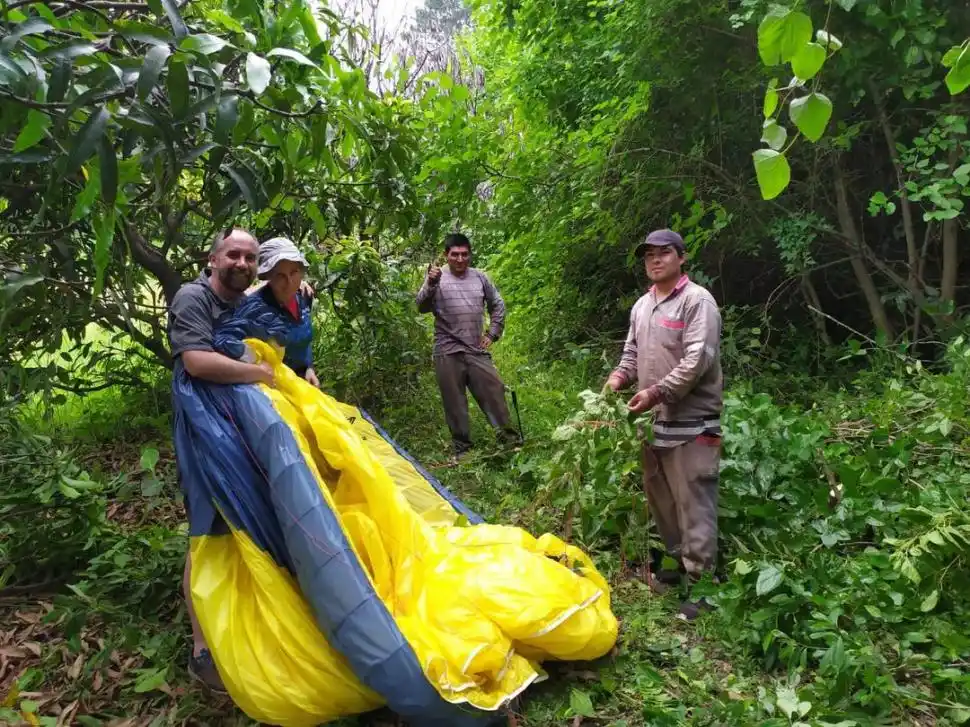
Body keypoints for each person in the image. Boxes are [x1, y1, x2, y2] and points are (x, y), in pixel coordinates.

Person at [167, 228, 274, 692]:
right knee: (207, 530)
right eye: (234, 254)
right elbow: (197, 362)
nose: (242, 263)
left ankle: (252, 621)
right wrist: (261, 375)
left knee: (249, 518)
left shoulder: (245, 301)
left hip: (242, 427)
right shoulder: (193, 299)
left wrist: (293, 286)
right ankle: (202, 649)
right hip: (204, 431)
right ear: (213, 259)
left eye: (251, 258)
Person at [605, 229, 723, 621]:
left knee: (694, 503)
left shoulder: (697, 302)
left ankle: (704, 587)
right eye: (649, 255)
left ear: (681, 258)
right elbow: (631, 353)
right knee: (662, 501)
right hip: (653, 425)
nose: (655, 260)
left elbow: (698, 360)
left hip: (692, 423)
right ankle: (673, 569)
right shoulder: (642, 306)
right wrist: (618, 380)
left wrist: (656, 393)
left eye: (664, 253)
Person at [416, 232, 520, 459]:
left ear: (470, 255)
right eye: (455, 255)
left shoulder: (480, 277)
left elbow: (498, 304)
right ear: (446, 255)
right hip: (447, 350)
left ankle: (509, 442)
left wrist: (492, 333)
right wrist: (431, 283)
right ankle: (463, 451)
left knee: (494, 392)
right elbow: (421, 306)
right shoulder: (436, 277)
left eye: (465, 255)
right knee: (455, 402)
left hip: (476, 348)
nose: (460, 260)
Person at [212, 237, 320, 387]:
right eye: (280, 276)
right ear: (268, 277)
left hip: (300, 383)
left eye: (294, 272)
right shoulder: (254, 308)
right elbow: (223, 342)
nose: (289, 282)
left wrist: (308, 368)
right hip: (271, 389)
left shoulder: (304, 297)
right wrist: (256, 367)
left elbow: (303, 340)